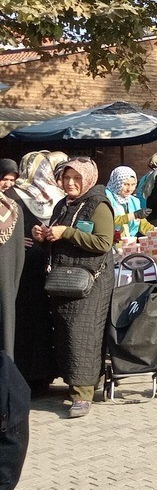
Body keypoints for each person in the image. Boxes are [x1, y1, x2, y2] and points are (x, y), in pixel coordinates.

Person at [33, 158, 114, 417]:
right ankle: (74, 383)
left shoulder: (98, 205)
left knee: (84, 335)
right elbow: (59, 235)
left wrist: (66, 232)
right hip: (64, 281)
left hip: (90, 283)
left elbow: (103, 242)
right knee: (66, 334)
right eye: (66, 178)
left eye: (76, 178)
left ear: (88, 179)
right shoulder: (62, 204)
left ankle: (83, 394)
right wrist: (44, 235)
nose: (70, 183)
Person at [8, 153, 60, 392]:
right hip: (22, 269)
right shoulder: (12, 195)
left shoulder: (55, 195)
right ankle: (29, 377)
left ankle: (39, 375)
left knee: (36, 321)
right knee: (28, 322)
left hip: (38, 267)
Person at [0, 162, 24, 357]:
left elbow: (18, 253)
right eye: (4, 179)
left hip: (4, 278)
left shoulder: (13, 207)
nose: (7, 184)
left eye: (11, 180)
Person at [104, 166, 150, 239]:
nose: (129, 189)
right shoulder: (106, 198)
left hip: (130, 244)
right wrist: (133, 215)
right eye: (125, 184)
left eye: (133, 185)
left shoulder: (134, 201)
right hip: (111, 243)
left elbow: (142, 224)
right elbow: (108, 221)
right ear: (117, 182)